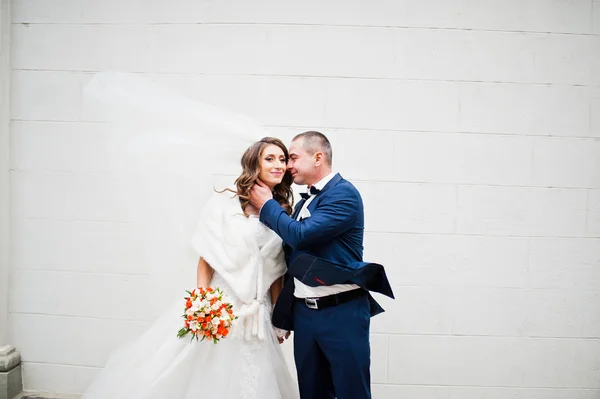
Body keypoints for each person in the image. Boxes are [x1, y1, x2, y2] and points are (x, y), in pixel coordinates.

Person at [83, 137, 300, 399]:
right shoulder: (225, 203)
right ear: (254, 162)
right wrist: (204, 303)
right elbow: (206, 257)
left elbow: (275, 270)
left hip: (258, 313)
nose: (278, 164)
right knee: (202, 371)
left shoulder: (281, 210)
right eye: (270, 158)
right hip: (223, 304)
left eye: (282, 159)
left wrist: (279, 317)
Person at [249, 131, 394, 399]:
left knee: (352, 393)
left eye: (292, 157)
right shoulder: (304, 201)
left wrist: (268, 205)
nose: (287, 166)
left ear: (318, 157)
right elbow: (289, 260)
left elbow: (301, 236)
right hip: (305, 316)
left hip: (343, 313)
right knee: (312, 393)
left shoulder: (344, 195)